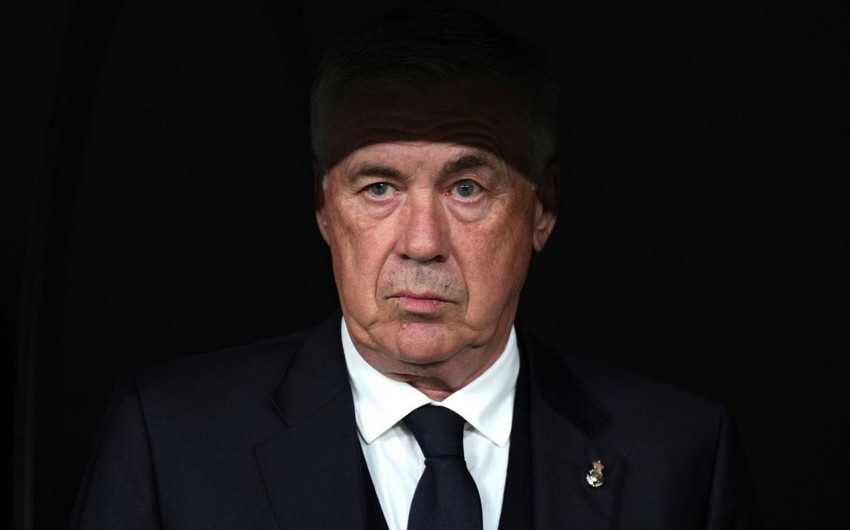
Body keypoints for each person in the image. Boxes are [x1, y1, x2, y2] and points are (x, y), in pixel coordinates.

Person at [69, 8, 759, 530]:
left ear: (542, 209)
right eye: (379, 187)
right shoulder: (169, 443)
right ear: (323, 207)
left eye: (467, 188)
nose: (422, 243)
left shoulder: (680, 456)